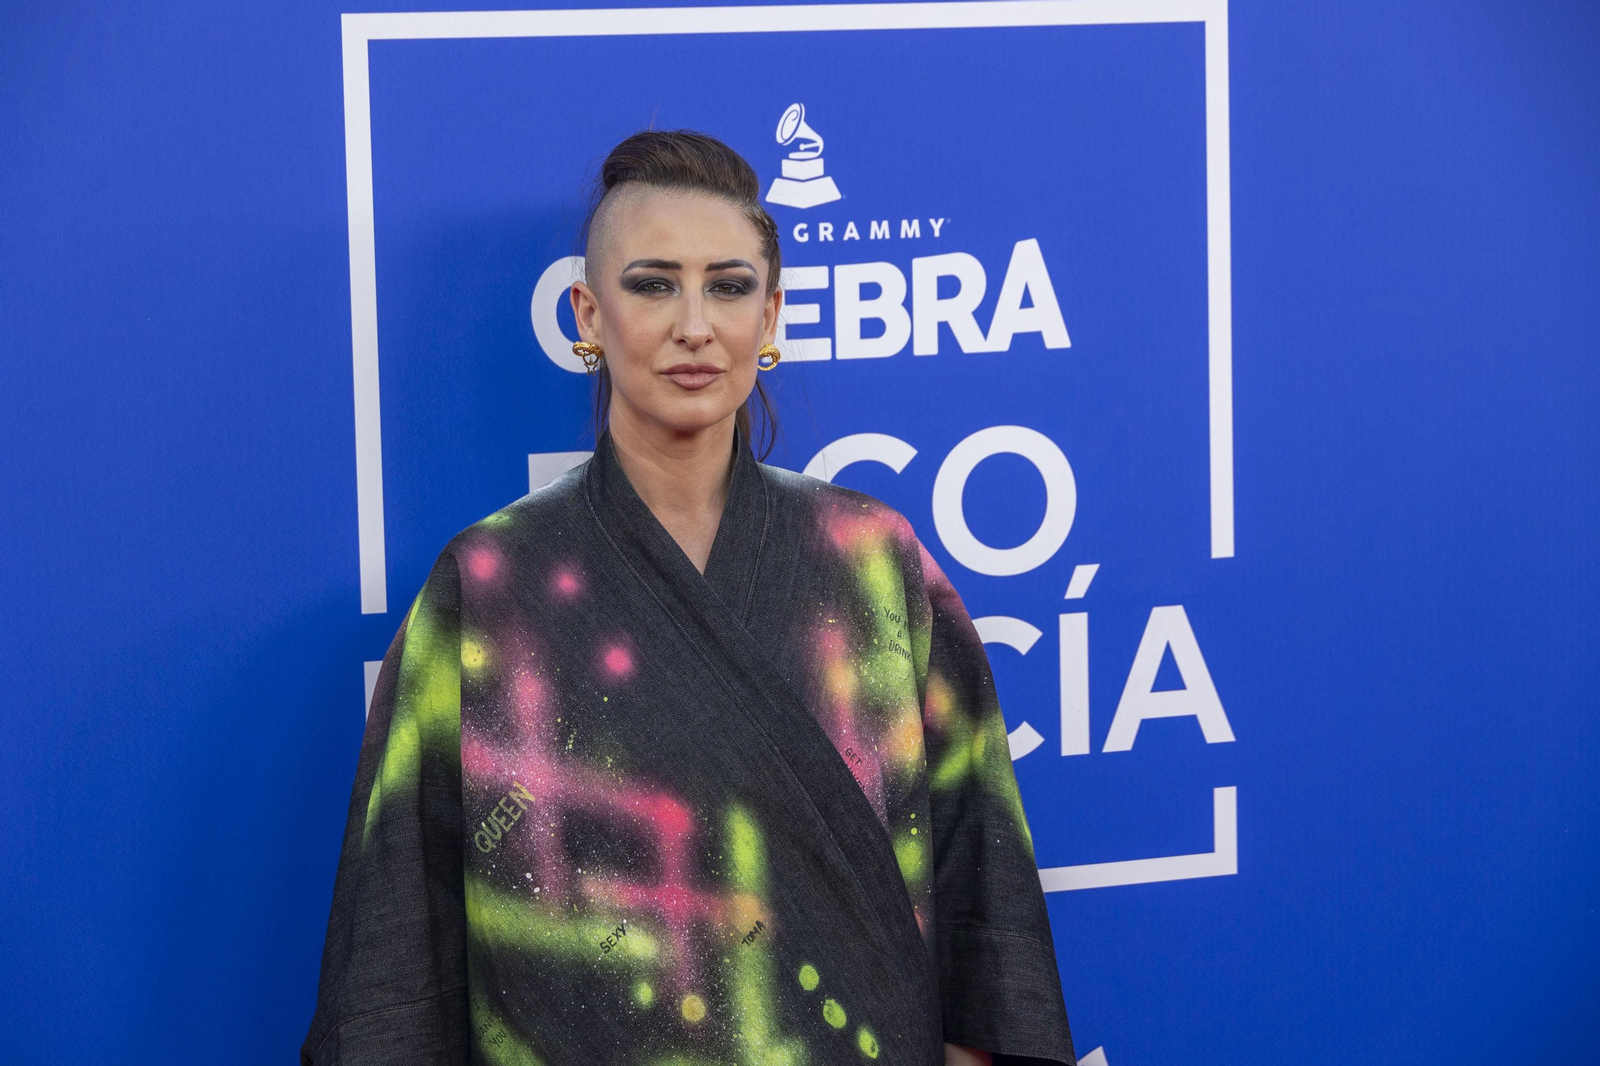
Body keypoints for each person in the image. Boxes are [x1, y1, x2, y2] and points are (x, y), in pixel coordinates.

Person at [303, 130, 1075, 1066]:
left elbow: (979, 884)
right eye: (653, 285)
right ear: (589, 314)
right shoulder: (490, 584)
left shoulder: (876, 558)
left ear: (772, 313)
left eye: (729, 286)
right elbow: (401, 933)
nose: (695, 325)